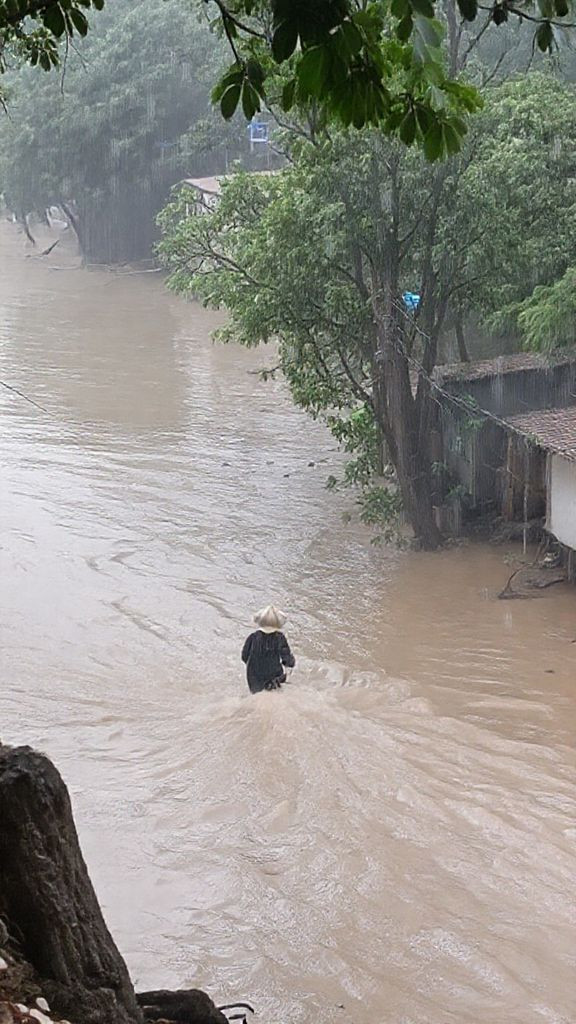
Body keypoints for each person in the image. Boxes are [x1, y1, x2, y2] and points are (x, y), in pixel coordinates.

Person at [241, 605, 295, 694]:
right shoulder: (280, 637)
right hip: (274, 674)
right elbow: (287, 659)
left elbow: (244, 656)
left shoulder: (252, 637)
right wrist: (291, 663)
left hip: (254, 675)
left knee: (256, 695)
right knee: (274, 695)